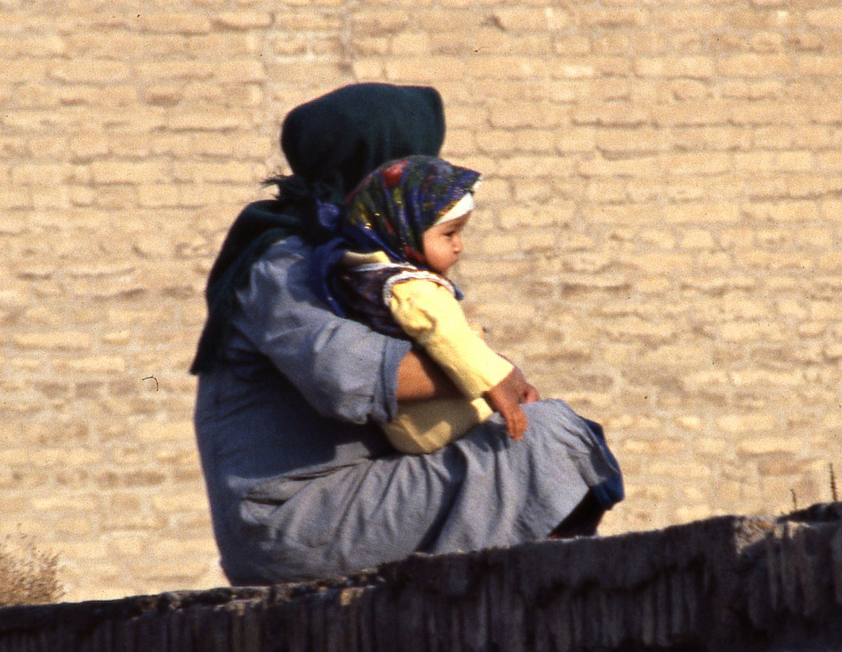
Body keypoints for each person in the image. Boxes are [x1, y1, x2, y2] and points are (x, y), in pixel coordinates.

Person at [190, 83, 624, 586]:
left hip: (354, 498)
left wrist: (484, 372)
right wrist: (489, 372)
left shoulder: (360, 257)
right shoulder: (287, 264)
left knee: (547, 437)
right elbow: (346, 378)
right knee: (551, 437)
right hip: (297, 519)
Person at [310, 154, 530, 454]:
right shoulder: (415, 290)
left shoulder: (364, 273)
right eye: (449, 233)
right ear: (406, 230)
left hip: (407, 427)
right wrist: (500, 387)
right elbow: (450, 339)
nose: (459, 245)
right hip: (441, 421)